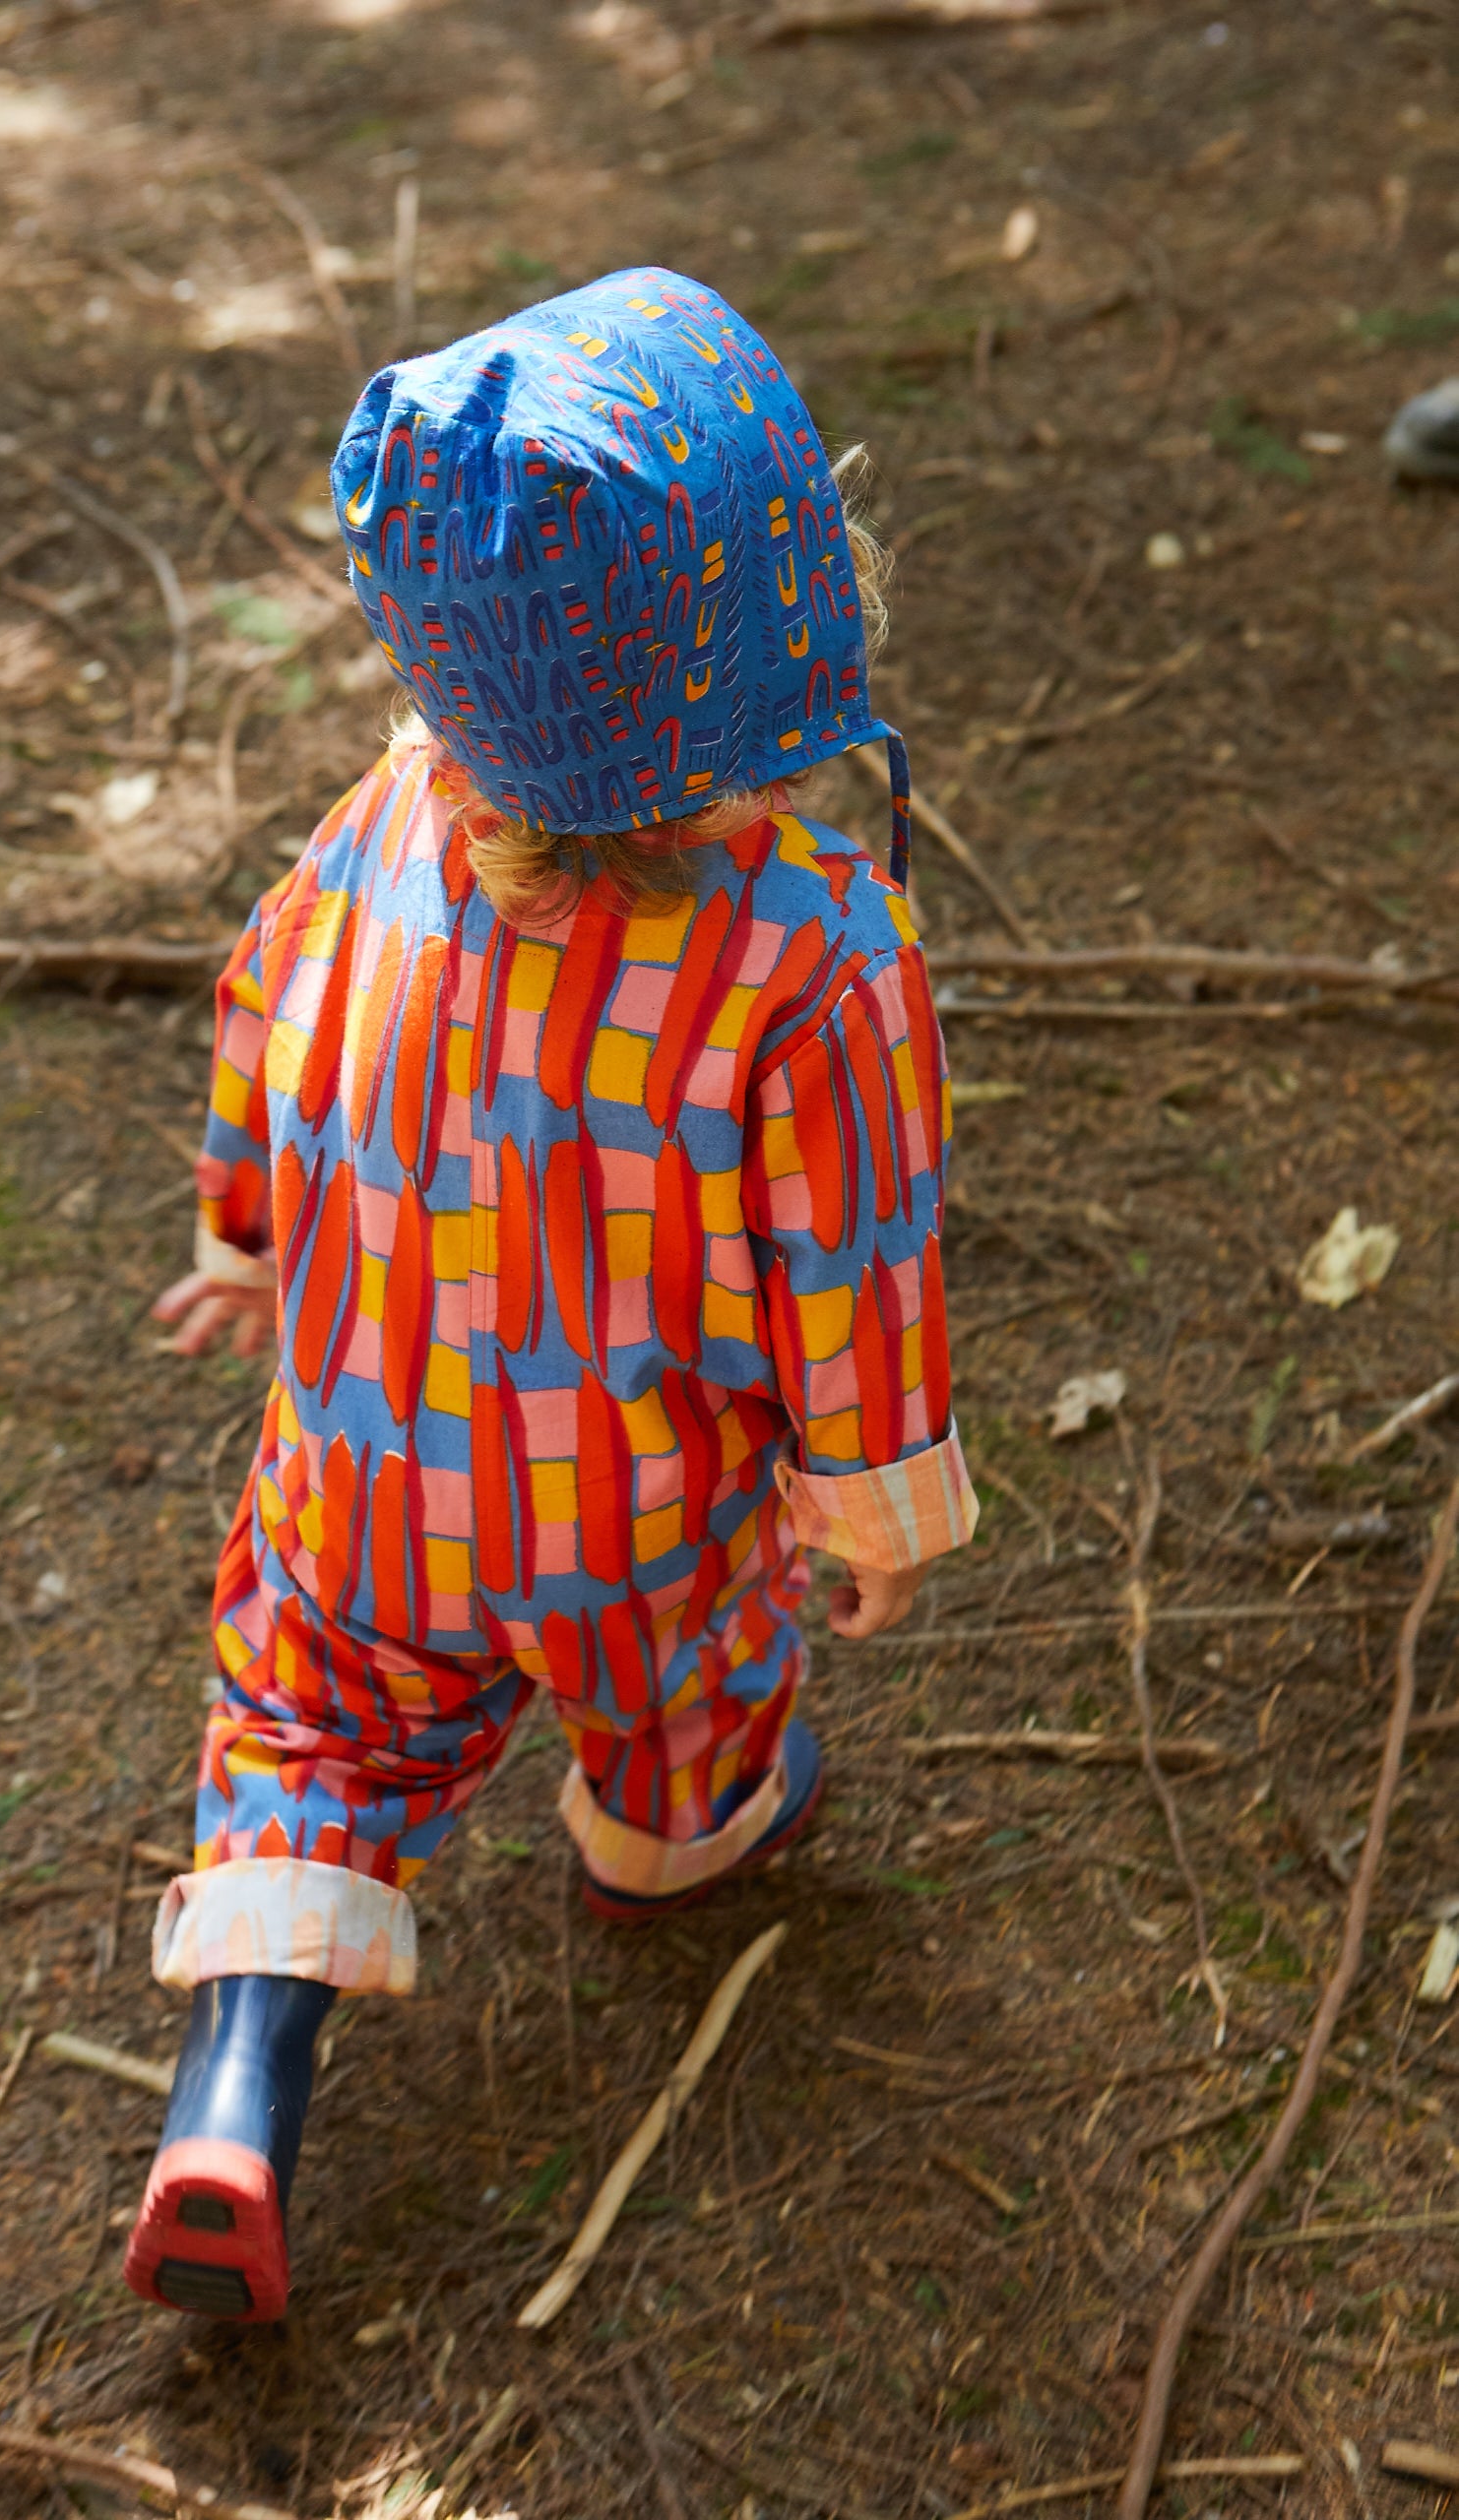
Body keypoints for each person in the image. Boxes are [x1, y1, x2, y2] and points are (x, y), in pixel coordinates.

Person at [123, 267, 980, 2323]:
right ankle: (663, 1836)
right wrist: (867, 1498)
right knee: (693, 1699)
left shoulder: (382, 821)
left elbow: (262, 1015)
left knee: (301, 1727)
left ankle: (234, 2087)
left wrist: (246, 1230)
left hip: (364, 1486)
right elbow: (856, 1251)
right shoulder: (813, 943)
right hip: (633, 1519)